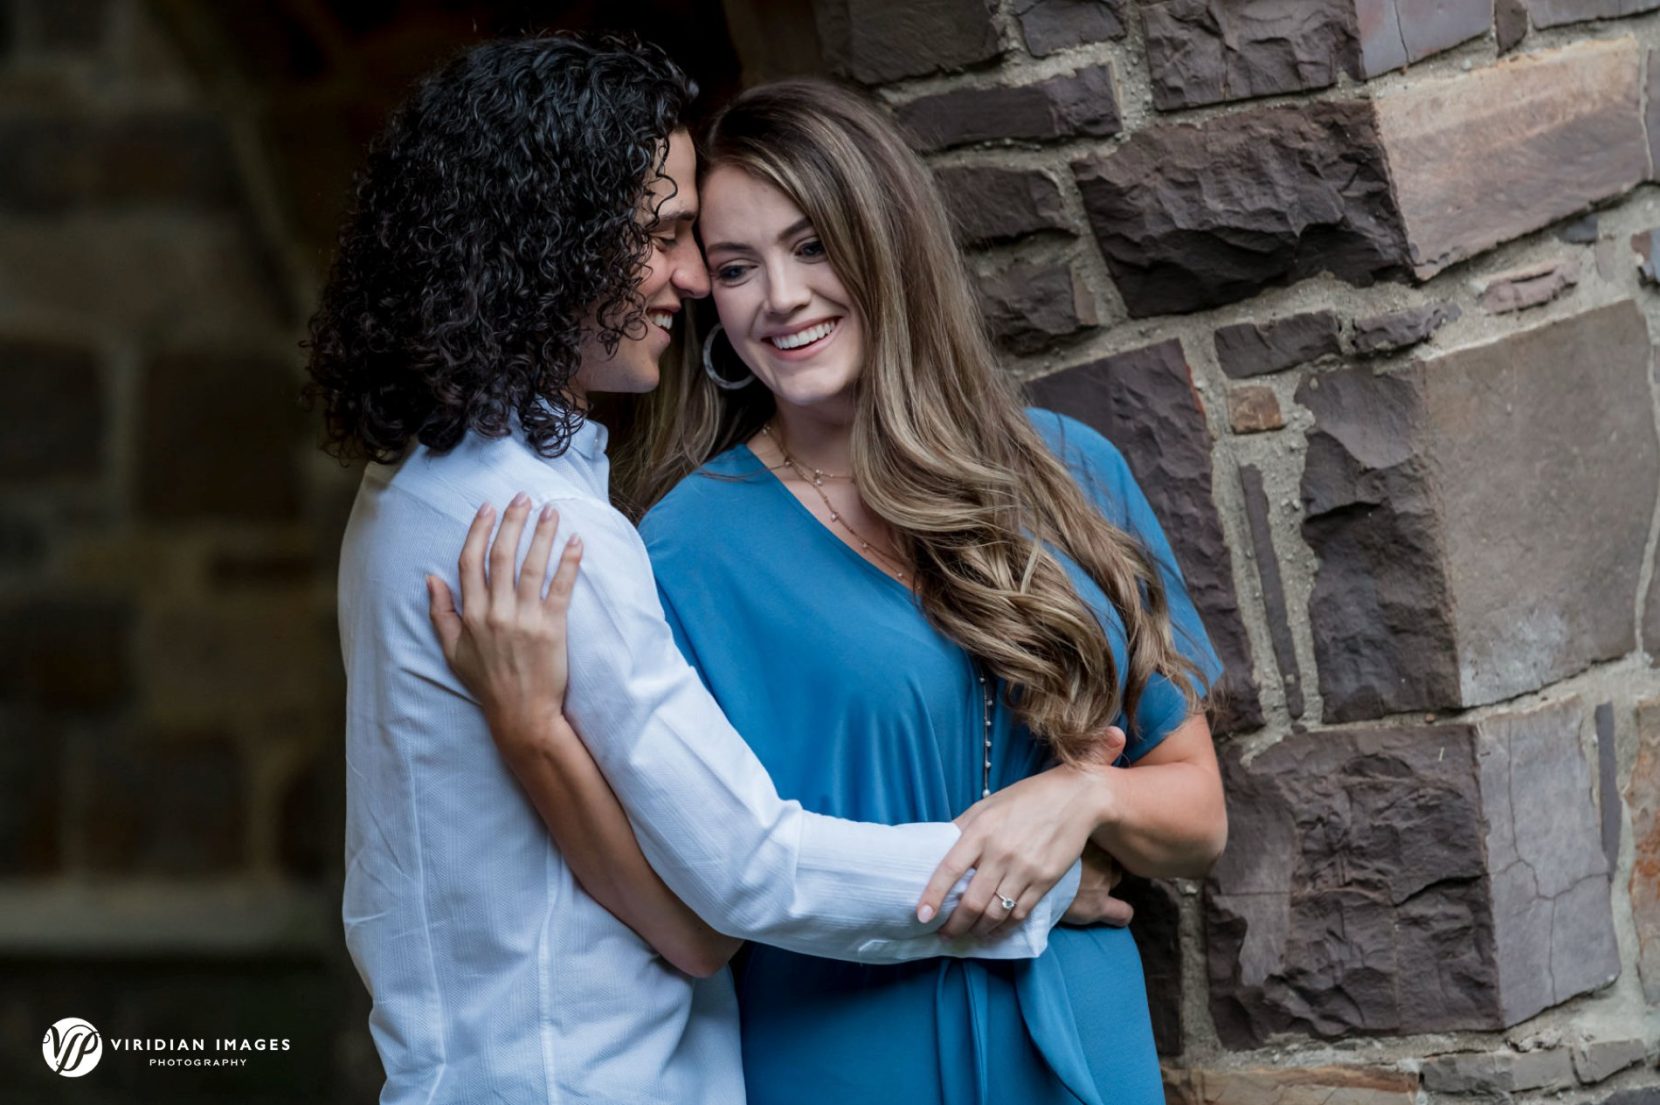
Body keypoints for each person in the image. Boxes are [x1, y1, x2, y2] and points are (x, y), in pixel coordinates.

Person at [306, 34, 1122, 1105]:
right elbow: (754, 869)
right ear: (546, 246)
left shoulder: (404, 493)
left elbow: (694, 923)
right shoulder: (542, 532)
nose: (691, 282)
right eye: (664, 238)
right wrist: (1040, 878)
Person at [453, 79, 1229, 1104]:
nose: (778, 297)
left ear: (887, 244)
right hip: (845, 1056)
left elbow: (1199, 816)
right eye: (735, 267)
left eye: (811, 245)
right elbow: (692, 907)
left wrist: (1081, 796)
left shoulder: (1068, 471)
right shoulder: (679, 550)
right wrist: (532, 730)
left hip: (1083, 1048)